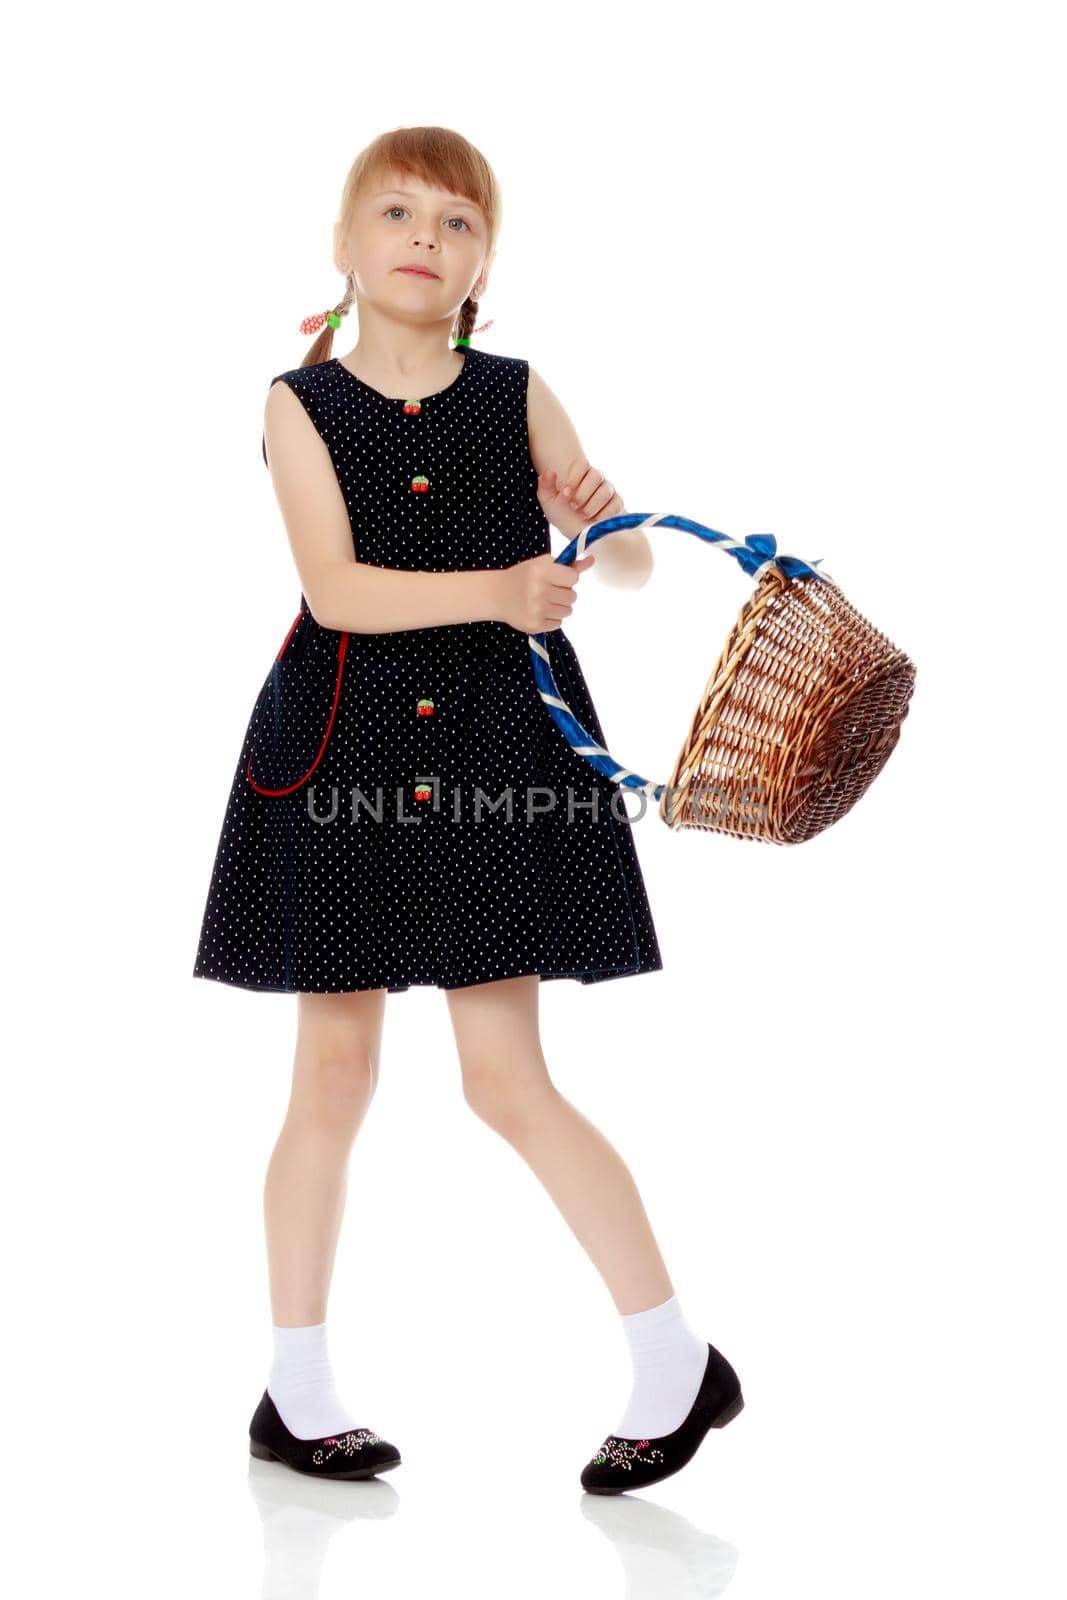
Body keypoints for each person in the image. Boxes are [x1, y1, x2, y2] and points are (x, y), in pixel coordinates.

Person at [193, 124, 743, 1492]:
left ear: (483, 259)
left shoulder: (517, 390)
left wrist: (600, 528)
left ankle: (678, 1361)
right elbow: (337, 592)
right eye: (396, 213)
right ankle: (296, 1393)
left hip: (500, 751)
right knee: (332, 1073)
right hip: (345, 750)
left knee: (508, 1080)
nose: (423, 238)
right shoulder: (294, 403)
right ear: (344, 244)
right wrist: (503, 589)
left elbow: (614, 576)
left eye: (454, 221)